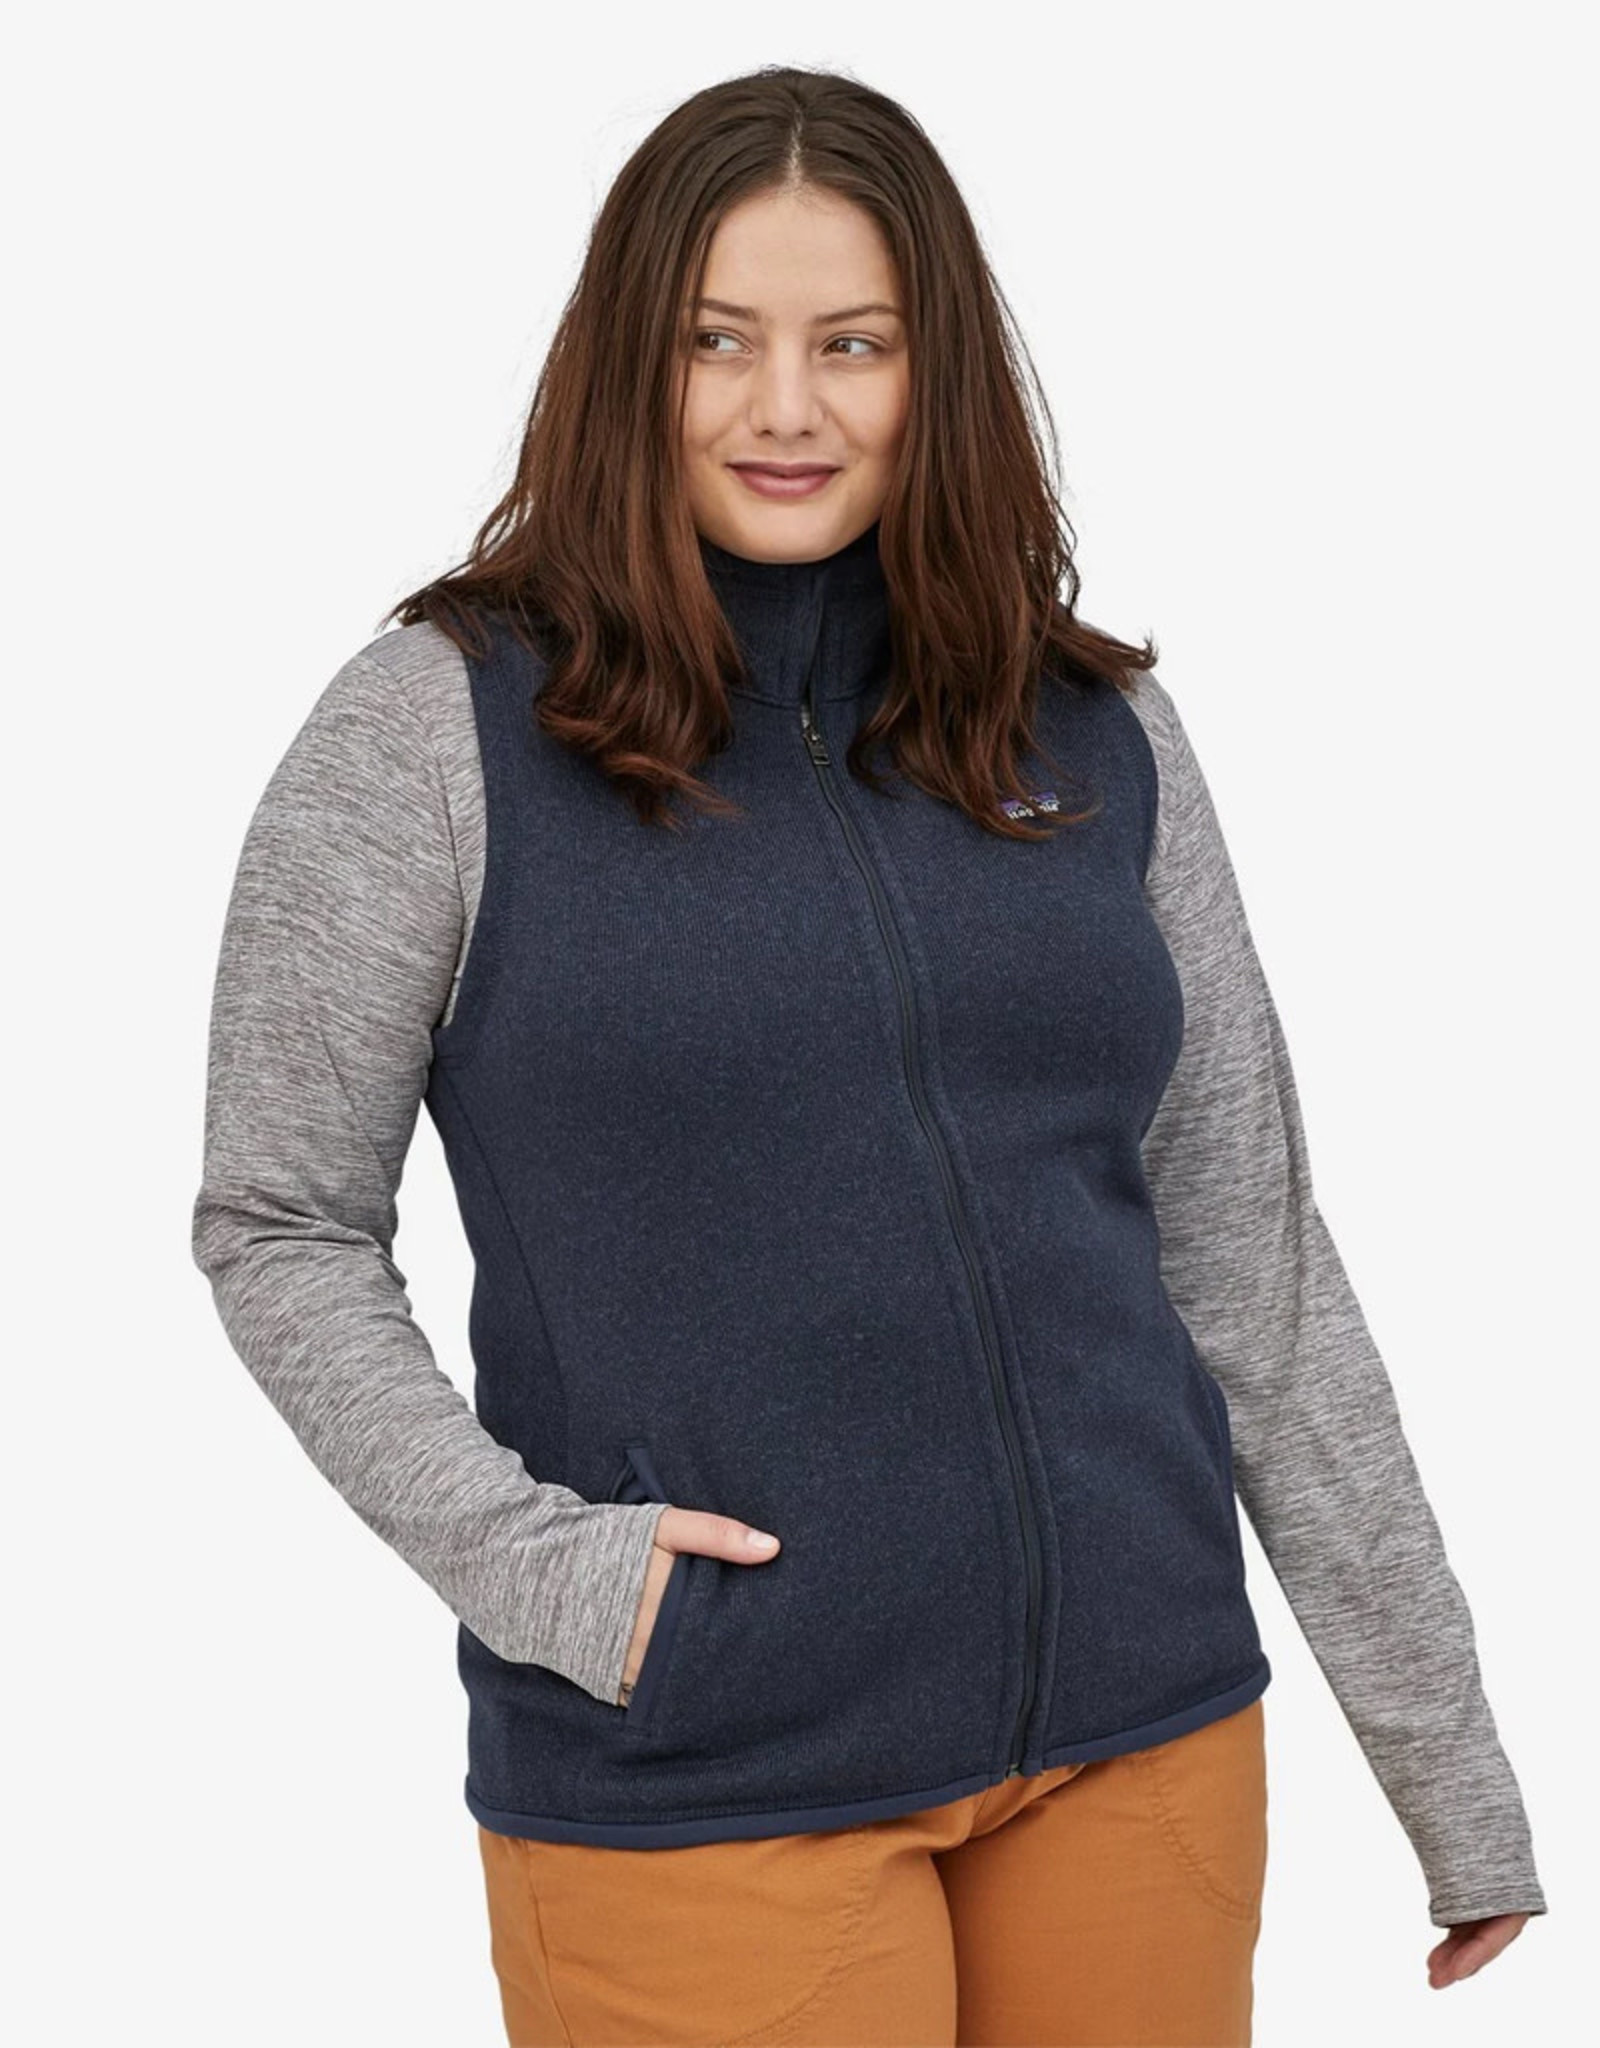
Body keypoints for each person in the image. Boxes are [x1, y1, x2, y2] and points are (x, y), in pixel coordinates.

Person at [191, 63, 1547, 2048]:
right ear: (625, 362)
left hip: (1140, 1727)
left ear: (936, 372)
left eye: (853, 343)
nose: (785, 407)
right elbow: (279, 1223)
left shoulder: (1091, 731)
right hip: (711, 1771)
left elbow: (1245, 1253)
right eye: (715, 341)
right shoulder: (435, 734)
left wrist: (1447, 1766)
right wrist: (555, 1576)